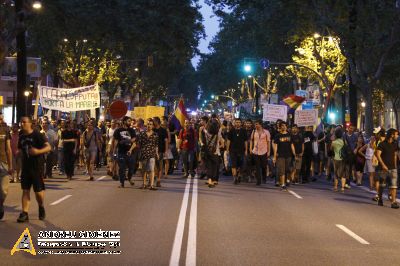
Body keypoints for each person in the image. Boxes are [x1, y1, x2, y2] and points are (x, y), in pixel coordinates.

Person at [17, 116, 51, 222]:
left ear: (30, 123)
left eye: (24, 122)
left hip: (37, 168)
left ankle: (41, 206)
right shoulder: (21, 137)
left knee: (38, 193)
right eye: (21, 122)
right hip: (26, 168)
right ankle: (24, 213)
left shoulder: (37, 134)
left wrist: (38, 152)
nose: (22, 124)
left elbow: (48, 147)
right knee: (25, 190)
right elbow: (21, 151)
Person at [375, 128, 399, 209]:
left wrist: (395, 166)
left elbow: (395, 155)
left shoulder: (395, 144)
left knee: (394, 186)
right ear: (392, 135)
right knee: (382, 185)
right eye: (396, 134)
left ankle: (393, 202)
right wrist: (383, 165)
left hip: (393, 168)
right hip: (383, 168)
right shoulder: (382, 144)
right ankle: (380, 199)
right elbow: (378, 155)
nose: (397, 136)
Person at [112, 116, 136, 188]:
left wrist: (126, 141)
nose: (130, 122)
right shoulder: (118, 130)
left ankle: (129, 177)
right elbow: (116, 141)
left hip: (130, 152)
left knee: (131, 168)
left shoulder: (132, 130)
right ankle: (121, 183)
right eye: (129, 121)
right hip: (121, 152)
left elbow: (134, 139)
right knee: (122, 168)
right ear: (124, 121)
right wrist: (114, 151)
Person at [201, 118, 223, 188]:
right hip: (215, 153)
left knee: (209, 167)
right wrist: (217, 120)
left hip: (207, 152)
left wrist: (209, 121)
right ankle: (213, 180)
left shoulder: (206, 133)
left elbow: (204, 128)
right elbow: (221, 127)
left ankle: (210, 180)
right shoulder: (218, 134)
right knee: (214, 167)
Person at [137, 119, 159, 190]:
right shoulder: (142, 134)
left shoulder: (155, 134)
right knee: (144, 170)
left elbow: (156, 145)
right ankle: (144, 184)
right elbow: (138, 144)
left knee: (152, 169)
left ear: (153, 126)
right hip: (144, 153)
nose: (149, 126)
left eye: (150, 124)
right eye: (148, 124)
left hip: (152, 154)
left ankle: (152, 185)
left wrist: (157, 153)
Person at [227, 118, 248, 185]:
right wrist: (227, 149)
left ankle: (239, 175)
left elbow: (246, 141)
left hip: (242, 150)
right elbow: (228, 140)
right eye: (236, 122)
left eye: (239, 122)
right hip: (233, 150)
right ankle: (235, 177)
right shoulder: (231, 130)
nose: (238, 123)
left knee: (242, 164)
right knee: (233, 165)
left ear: (241, 123)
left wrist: (246, 150)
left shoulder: (244, 131)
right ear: (234, 123)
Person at [0, 112, 12, 220]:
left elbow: (8, 149)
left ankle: (0, 205)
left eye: (1, 119)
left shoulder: (6, 131)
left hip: (3, 163)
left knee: (4, 190)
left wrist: (10, 166)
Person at [250, 120, 270, 186]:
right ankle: (258, 180)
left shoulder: (266, 132)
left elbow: (268, 142)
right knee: (257, 166)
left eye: (257, 124)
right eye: (255, 124)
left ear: (260, 125)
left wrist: (268, 151)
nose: (256, 125)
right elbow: (251, 140)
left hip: (264, 151)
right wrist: (250, 148)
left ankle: (264, 177)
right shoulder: (253, 131)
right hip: (255, 151)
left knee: (264, 166)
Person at [153, 117, 169, 187]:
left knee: (159, 166)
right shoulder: (152, 130)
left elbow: (166, 141)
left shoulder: (163, 130)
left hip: (160, 151)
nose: (153, 122)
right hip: (152, 150)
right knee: (153, 166)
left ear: (157, 121)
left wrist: (166, 151)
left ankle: (158, 180)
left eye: (154, 121)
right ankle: (155, 177)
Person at [331, 128, 346, 193]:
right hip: (342, 159)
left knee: (336, 173)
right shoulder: (343, 141)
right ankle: (342, 188)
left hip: (335, 158)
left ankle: (335, 187)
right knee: (343, 173)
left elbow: (331, 149)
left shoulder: (334, 142)